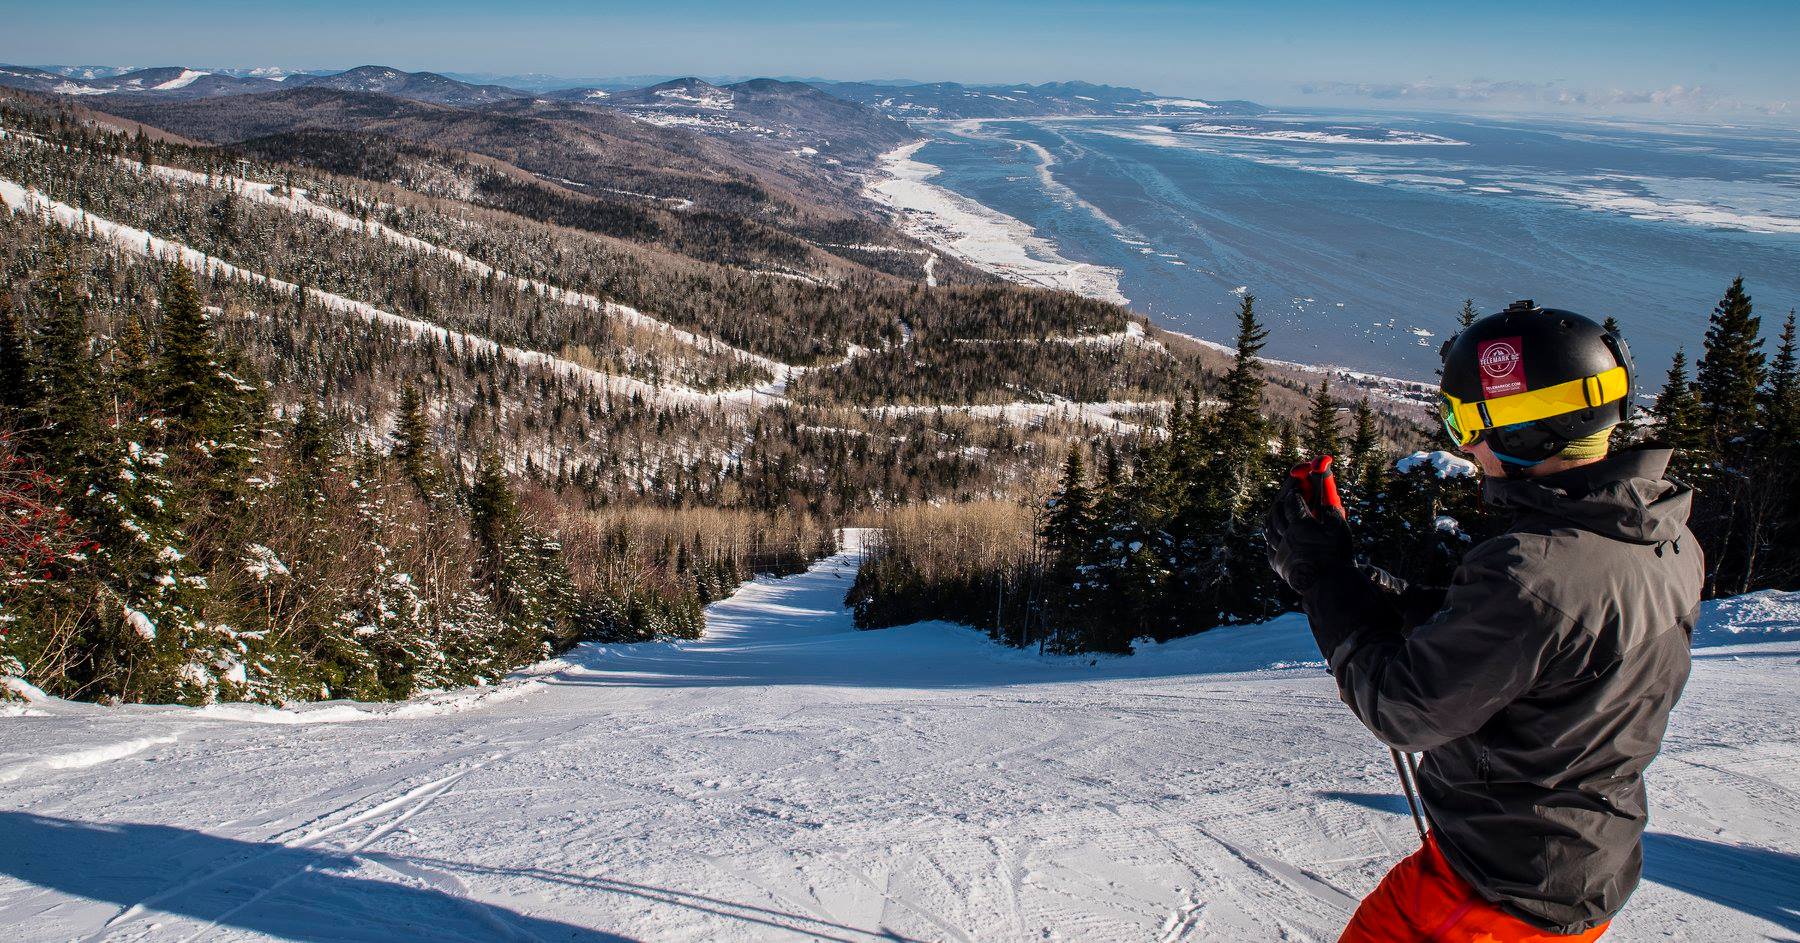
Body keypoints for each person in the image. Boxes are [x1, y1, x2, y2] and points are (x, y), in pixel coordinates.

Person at [1263, 301, 1702, 942]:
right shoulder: (1659, 535)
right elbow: (1529, 642)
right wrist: (1359, 581)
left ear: (1530, 432)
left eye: (1470, 421)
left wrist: (1319, 577)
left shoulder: (1537, 571)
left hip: (1495, 894)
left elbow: (1400, 708)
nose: (1466, 444)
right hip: (1564, 859)